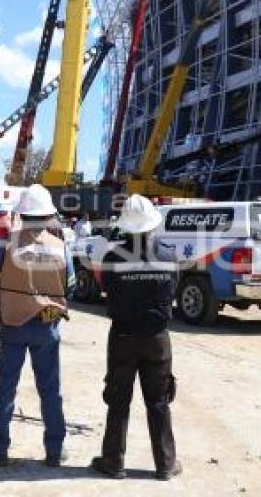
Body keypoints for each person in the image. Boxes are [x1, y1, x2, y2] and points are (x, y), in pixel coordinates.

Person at [0, 184, 76, 468]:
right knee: (50, 389)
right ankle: (55, 450)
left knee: (6, 386)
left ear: (23, 213)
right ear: (48, 215)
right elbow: (72, 287)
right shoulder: (61, 247)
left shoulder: (6, 245)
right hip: (47, 326)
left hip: (13, 324)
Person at [90, 194, 182, 481]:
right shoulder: (169, 255)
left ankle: (113, 462)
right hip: (156, 338)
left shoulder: (112, 257)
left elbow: (107, 289)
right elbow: (173, 290)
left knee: (119, 401)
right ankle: (165, 464)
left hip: (123, 336)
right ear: (152, 224)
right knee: (158, 402)